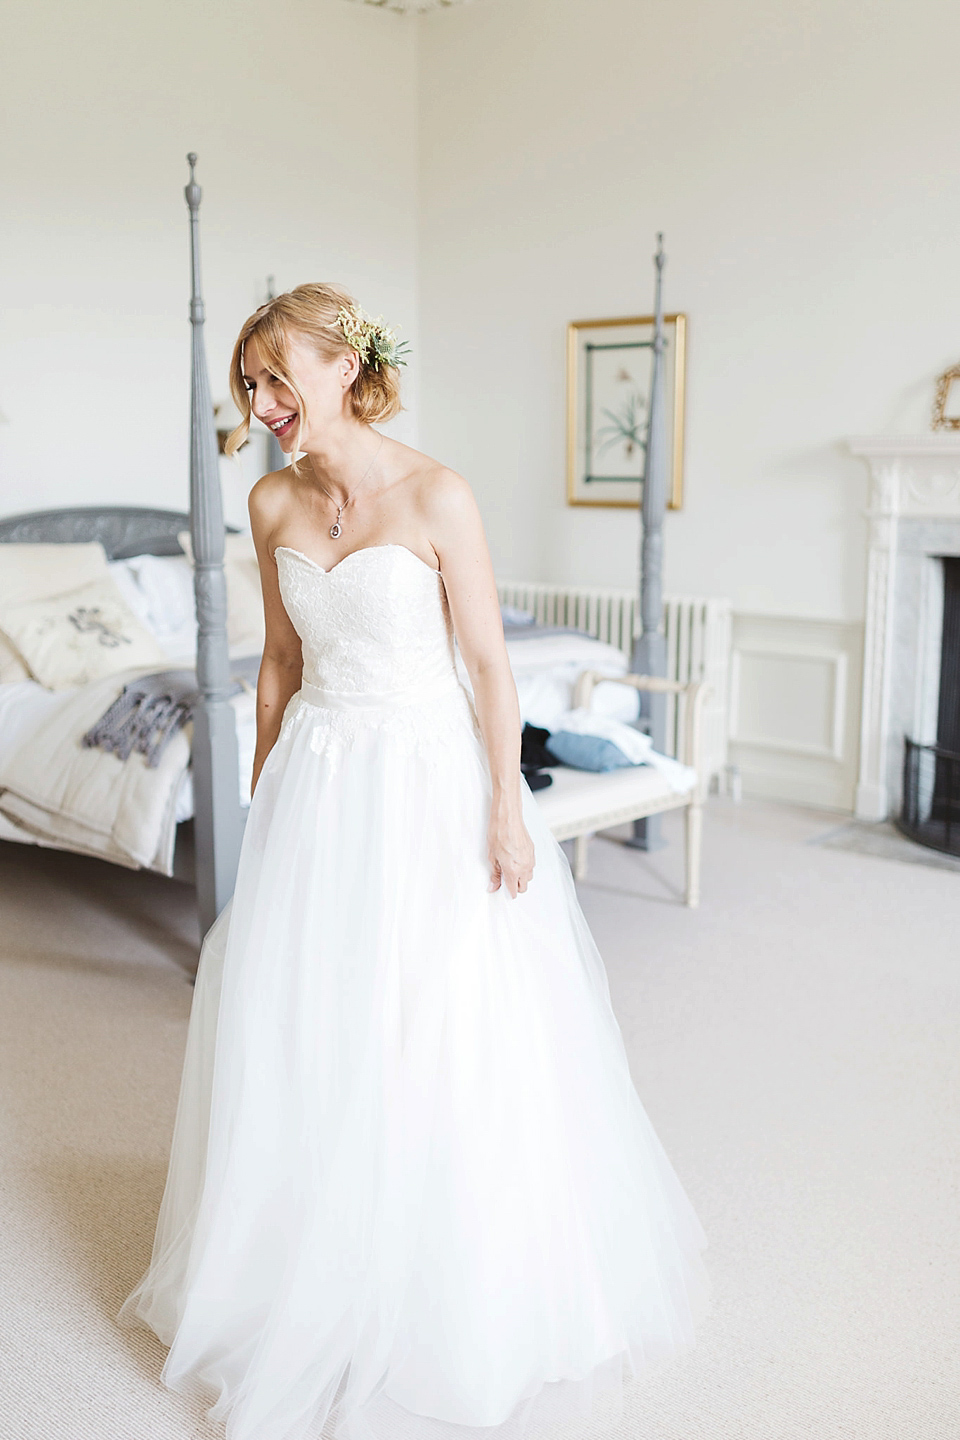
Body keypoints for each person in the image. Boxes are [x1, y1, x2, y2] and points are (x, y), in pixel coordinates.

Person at [121, 283, 708, 1440]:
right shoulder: (270, 501)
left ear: (348, 367)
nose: (265, 403)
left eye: (280, 378)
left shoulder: (439, 493)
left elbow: (491, 667)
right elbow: (281, 661)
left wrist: (506, 807)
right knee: (311, 1020)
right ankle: (307, 1263)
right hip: (319, 785)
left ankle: (450, 1274)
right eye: (250, 386)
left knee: (437, 1014)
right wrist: (266, 789)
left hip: (429, 779)